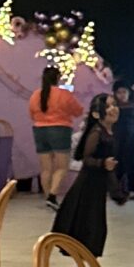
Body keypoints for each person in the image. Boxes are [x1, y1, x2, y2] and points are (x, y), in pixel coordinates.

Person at [51, 92, 118, 258]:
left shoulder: (107, 131)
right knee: (90, 229)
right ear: (96, 114)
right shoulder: (96, 132)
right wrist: (103, 163)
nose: (113, 109)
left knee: (92, 229)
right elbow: (87, 159)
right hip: (88, 187)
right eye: (108, 106)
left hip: (97, 186)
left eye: (114, 104)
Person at [29, 62, 84, 203]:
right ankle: (53, 195)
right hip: (60, 130)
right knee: (62, 167)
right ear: (58, 78)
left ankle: (47, 196)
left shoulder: (36, 95)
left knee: (46, 169)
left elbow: (31, 114)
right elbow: (78, 111)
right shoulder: (64, 94)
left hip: (39, 130)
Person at [111, 81, 134, 198]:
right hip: (117, 137)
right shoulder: (112, 108)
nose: (122, 95)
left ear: (129, 93)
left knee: (132, 163)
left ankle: (131, 189)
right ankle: (116, 190)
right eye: (119, 92)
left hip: (131, 137)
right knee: (117, 163)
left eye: (124, 92)